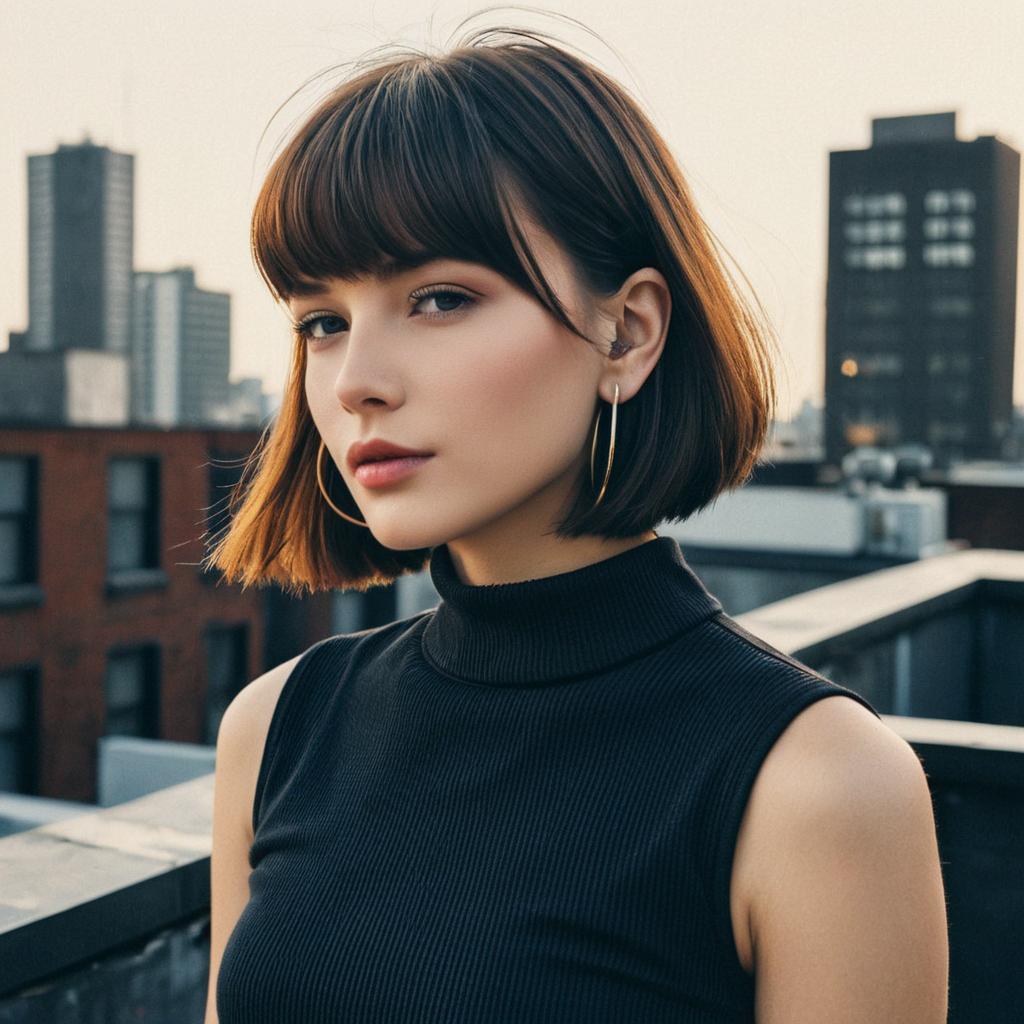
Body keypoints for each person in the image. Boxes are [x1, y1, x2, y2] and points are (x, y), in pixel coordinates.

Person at [202, 15, 948, 1024]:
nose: (356, 383)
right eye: (320, 322)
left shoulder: (819, 784)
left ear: (627, 332)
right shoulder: (277, 726)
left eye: (440, 297)